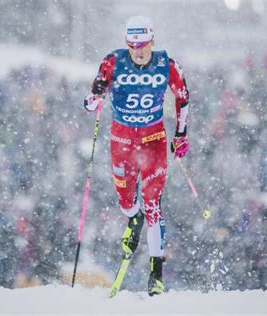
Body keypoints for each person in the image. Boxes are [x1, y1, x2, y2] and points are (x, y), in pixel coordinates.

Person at [84, 15, 190, 296]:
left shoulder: (166, 64)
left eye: (143, 44)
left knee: (153, 203)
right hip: (122, 141)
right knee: (126, 202)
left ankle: (156, 276)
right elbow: (89, 103)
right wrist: (95, 95)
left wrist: (181, 134)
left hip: (153, 139)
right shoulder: (113, 62)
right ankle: (134, 217)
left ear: (152, 41)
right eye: (132, 45)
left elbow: (182, 96)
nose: (138, 51)